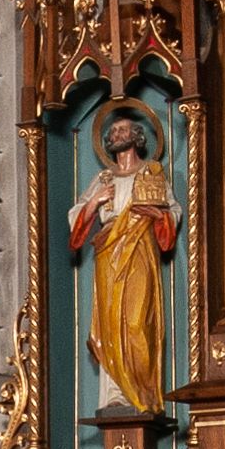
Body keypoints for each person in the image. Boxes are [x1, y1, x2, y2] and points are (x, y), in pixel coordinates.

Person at [66, 112, 179, 416]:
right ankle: (116, 395)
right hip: (108, 253)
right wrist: (95, 201)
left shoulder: (152, 173)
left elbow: (173, 211)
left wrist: (158, 215)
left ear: (137, 137)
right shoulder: (103, 179)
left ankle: (141, 392)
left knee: (136, 322)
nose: (117, 135)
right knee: (111, 323)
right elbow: (76, 216)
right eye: (113, 131)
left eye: (123, 130)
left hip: (140, 250)